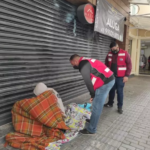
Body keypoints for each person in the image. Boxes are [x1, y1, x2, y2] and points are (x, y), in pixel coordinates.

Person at [69, 54, 115, 135]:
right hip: (107, 79)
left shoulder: (83, 65)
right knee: (95, 104)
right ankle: (93, 120)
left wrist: (92, 95)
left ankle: (91, 129)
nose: (73, 66)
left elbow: (88, 82)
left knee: (97, 106)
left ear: (75, 61)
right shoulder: (86, 60)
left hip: (105, 83)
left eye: (72, 64)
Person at [104, 42, 132, 114]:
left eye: (113, 48)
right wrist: (106, 74)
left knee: (119, 92)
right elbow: (106, 64)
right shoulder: (109, 54)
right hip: (111, 76)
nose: (112, 50)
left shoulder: (125, 53)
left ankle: (120, 107)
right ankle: (110, 103)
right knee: (111, 91)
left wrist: (126, 76)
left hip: (121, 77)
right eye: (111, 49)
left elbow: (129, 65)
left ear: (117, 46)